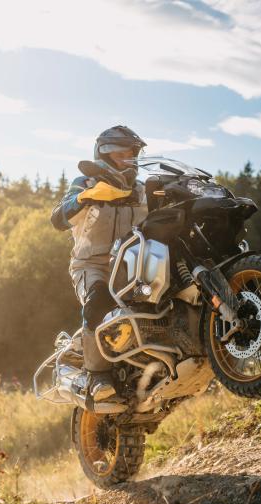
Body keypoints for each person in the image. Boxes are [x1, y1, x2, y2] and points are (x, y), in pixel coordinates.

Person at [50, 125, 149, 401]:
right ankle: (97, 376)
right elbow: (58, 218)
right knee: (98, 300)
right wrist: (85, 197)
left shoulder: (141, 190)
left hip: (131, 266)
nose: (127, 158)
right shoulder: (85, 183)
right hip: (91, 265)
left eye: (131, 153)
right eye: (121, 153)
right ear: (105, 154)